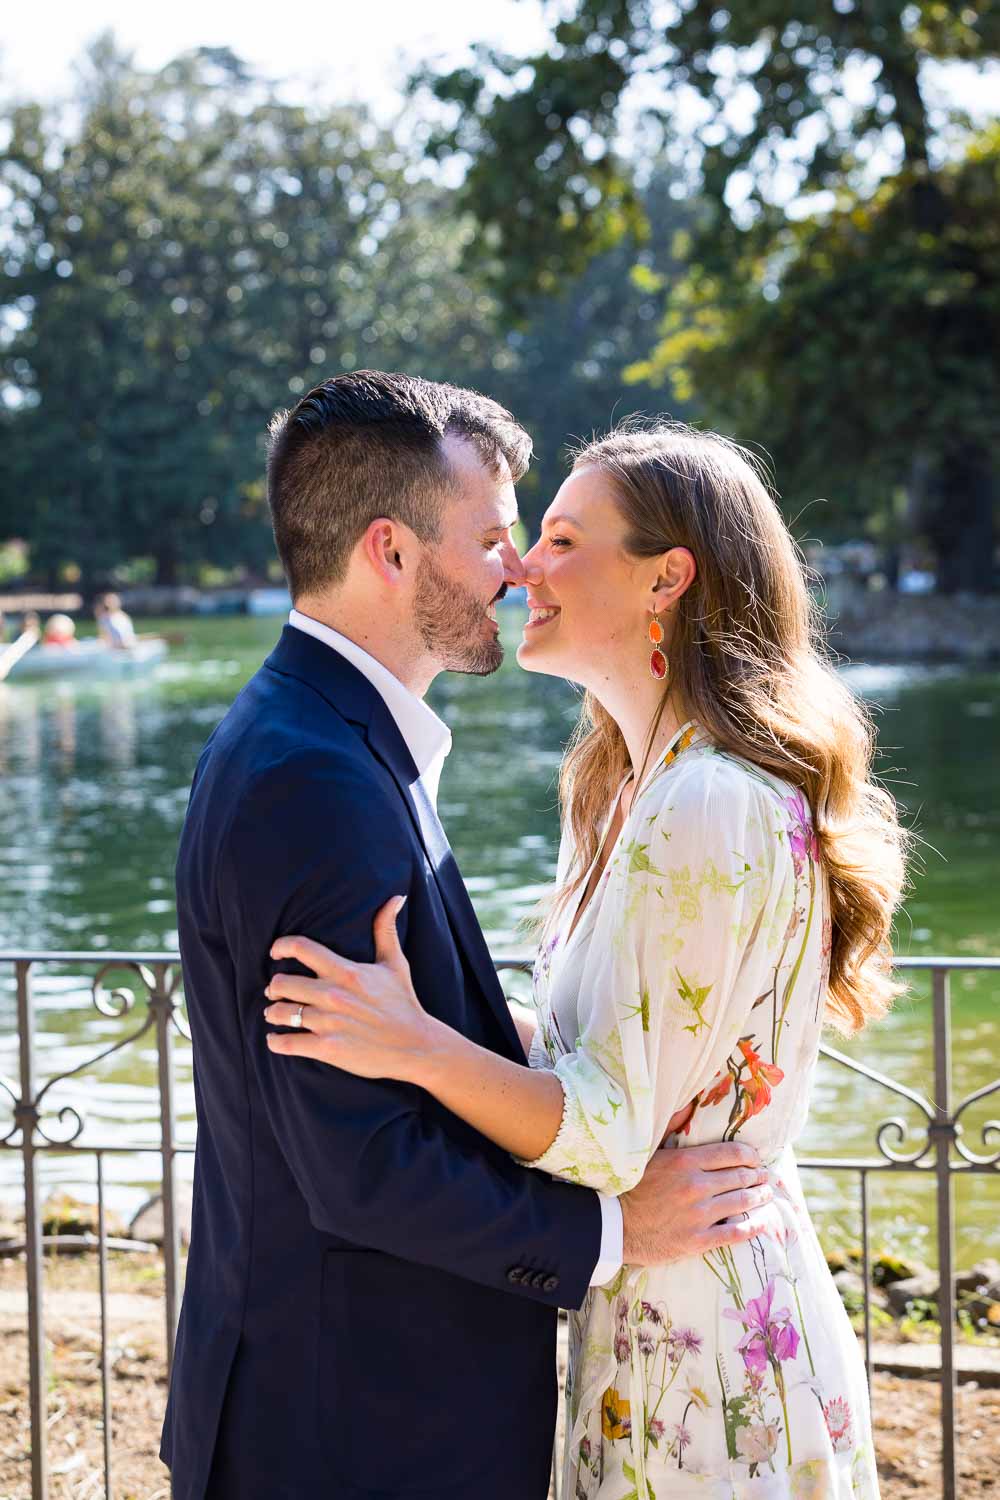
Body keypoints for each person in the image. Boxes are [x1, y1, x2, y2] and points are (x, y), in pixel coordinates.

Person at [264, 420, 908, 1499]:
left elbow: (607, 1133)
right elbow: (615, 1059)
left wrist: (417, 1048)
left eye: (561, 540)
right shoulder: (629, 791)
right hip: (655, 1316)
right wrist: (447, 1015)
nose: (521, 565)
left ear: (667, 579)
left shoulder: (704, 802)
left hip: (704, 1346)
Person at [160, 376, 772, 1500]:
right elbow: (357, 1167)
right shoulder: (312, 777)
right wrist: (609, 1233)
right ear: (390, 553)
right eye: (493, 536)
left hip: (362, 1413)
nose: (517, 568)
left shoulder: (333, 744)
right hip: (349, 1431)